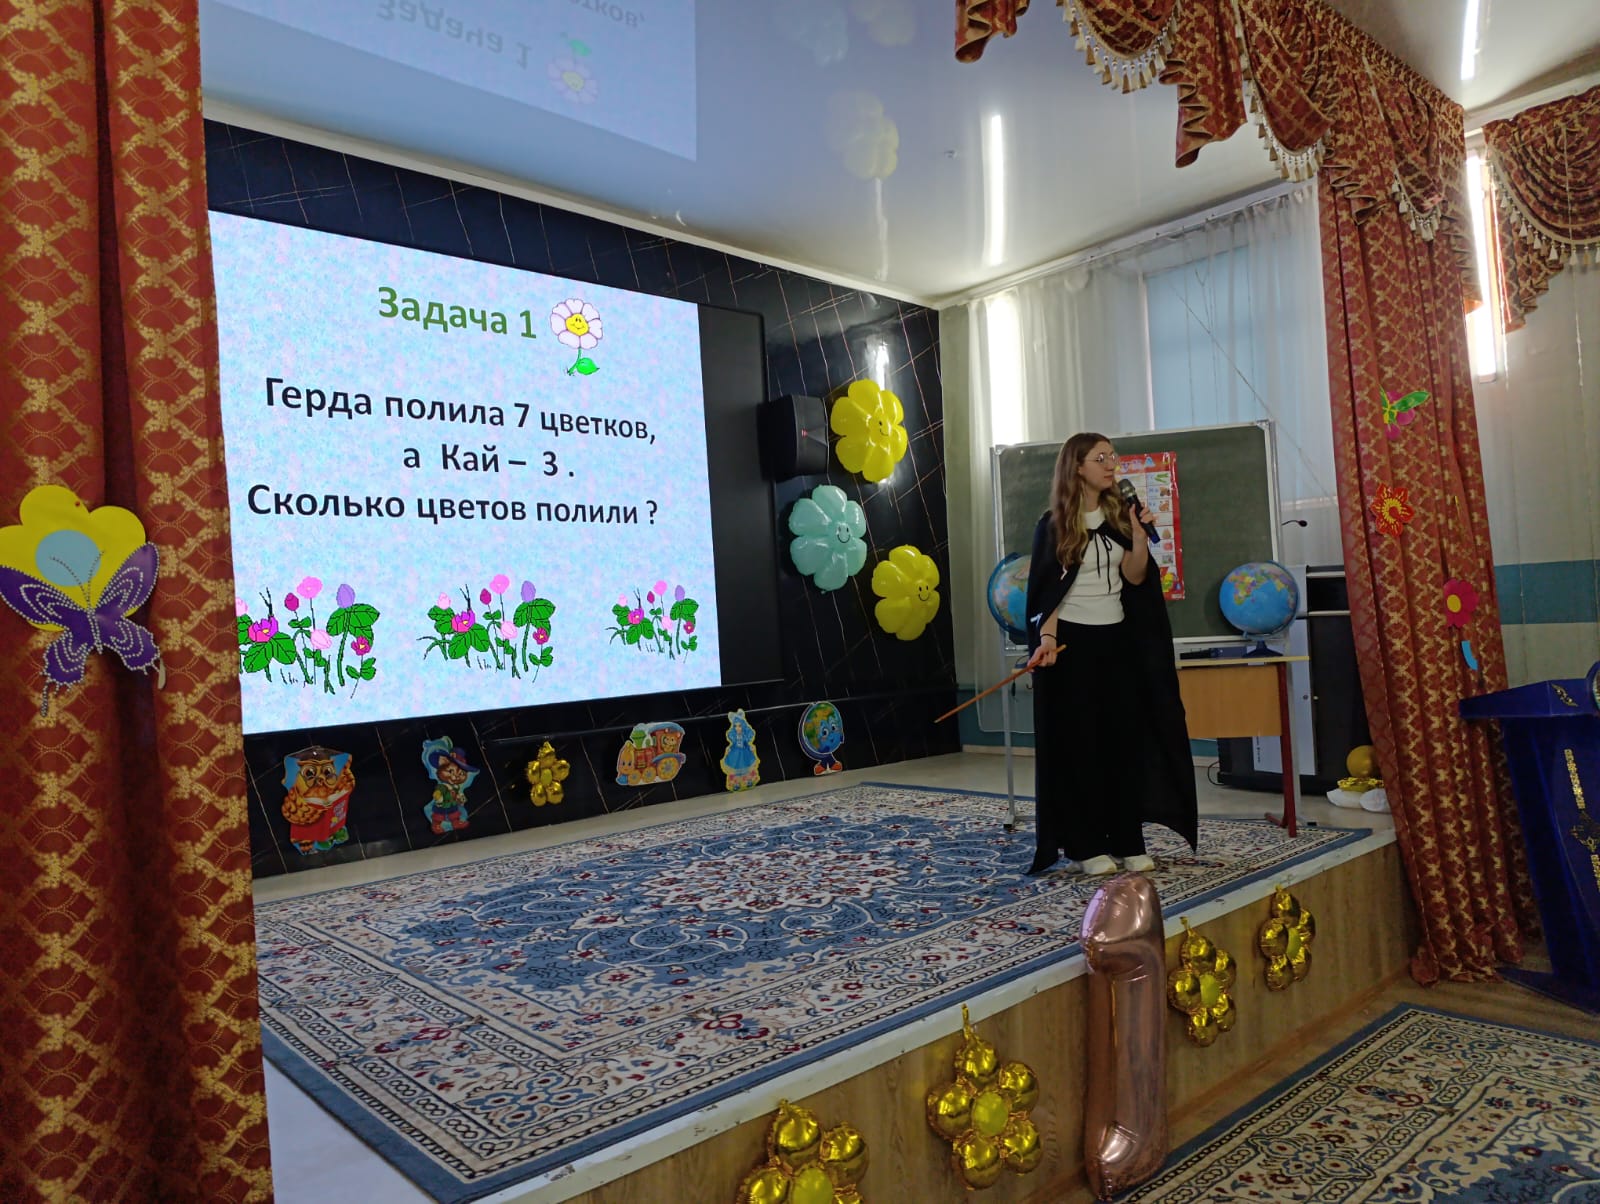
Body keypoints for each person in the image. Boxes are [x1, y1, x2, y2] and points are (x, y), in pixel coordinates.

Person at [1022, 432, 1198, 876]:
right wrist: (1046, 639)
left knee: (1123, 744)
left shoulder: (1120, 516)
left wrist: (1139, 537)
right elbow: (1046, 592)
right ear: (1077, 467)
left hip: (1118, 643)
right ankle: (1084, 844)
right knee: (1081, 747)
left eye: (1112, 457)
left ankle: (1126, 839)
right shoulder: (1053, 525)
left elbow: (1136, 578)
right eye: (1100, 458)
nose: (1110, 464)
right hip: (1073, 646)